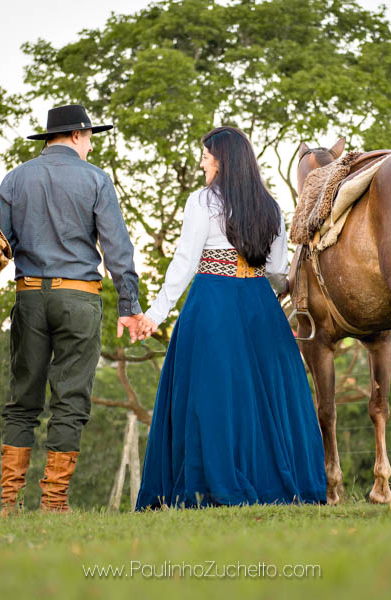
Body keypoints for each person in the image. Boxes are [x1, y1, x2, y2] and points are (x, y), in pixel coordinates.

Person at [135, 126, 326, 509]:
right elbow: (276, 270)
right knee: (266, 397)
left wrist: (156, 313)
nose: (203, 162)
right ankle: (277, 483)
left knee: (213, 395)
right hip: (259, 305)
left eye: (207, 156)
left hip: (213, 303)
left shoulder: (203, 201)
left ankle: (211, 483)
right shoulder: (269, 206)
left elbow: (186, 261)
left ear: (222, 160)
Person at [0, 104, 145, 515]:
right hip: (79, 298)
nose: (91, 145)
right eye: (91, 137)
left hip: (28, 295)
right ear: (79, 136)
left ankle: (10, 503)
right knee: (70, 400)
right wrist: (129, 306)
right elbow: (118, 249)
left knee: (22, 400)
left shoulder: (14, 179)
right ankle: (54, 502)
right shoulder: (96, 180)